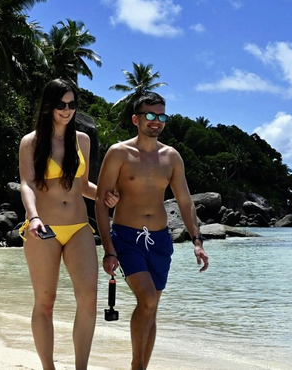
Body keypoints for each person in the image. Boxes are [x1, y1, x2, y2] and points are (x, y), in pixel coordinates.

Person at [95, 92, 209, 370]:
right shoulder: (119, 153)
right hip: (127, 237)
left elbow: (184, 200)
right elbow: (100, 202)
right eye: (150, 115)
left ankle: (142, 367)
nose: (156, 121)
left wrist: (196, 240)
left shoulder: (171, 157)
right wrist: (109, 248)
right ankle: (136, 365)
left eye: (161, 116)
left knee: (152, 307)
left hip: (159, 240)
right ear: (136, 119)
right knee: (146, 298)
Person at [18, 78, 118, 370]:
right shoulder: (31, 142)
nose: (67, 110)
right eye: (61, 104)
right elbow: (27, 184)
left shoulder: (82, 140)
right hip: (43, 228)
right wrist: (33, 217)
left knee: (88, 300)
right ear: (49, 105)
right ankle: (48, 367)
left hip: (78, 228)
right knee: (45, 303)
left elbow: (83, 185)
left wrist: (106, 195)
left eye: (72, 104)